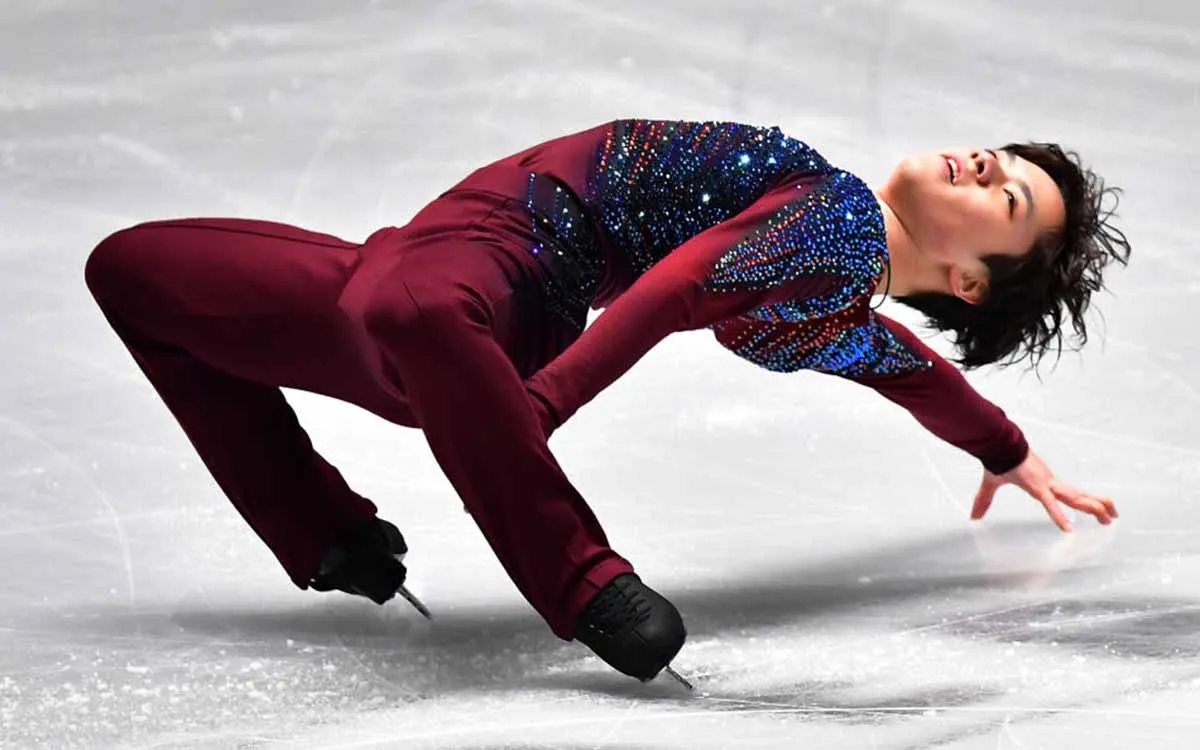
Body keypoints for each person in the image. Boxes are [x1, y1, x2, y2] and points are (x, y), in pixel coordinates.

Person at [83, 119, 1129, 685]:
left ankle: (587, 587)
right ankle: (330, 539)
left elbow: (891, 363)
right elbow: (697, 296)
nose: (988, 163)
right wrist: (528, 414)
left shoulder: (832, 263)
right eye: (1004, 156)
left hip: (490, 308)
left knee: (408, 313)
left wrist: (1002, 448)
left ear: (975, 281)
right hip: (467, 280)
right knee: (134, 272)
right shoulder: (826, 224)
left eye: (1008, 197)